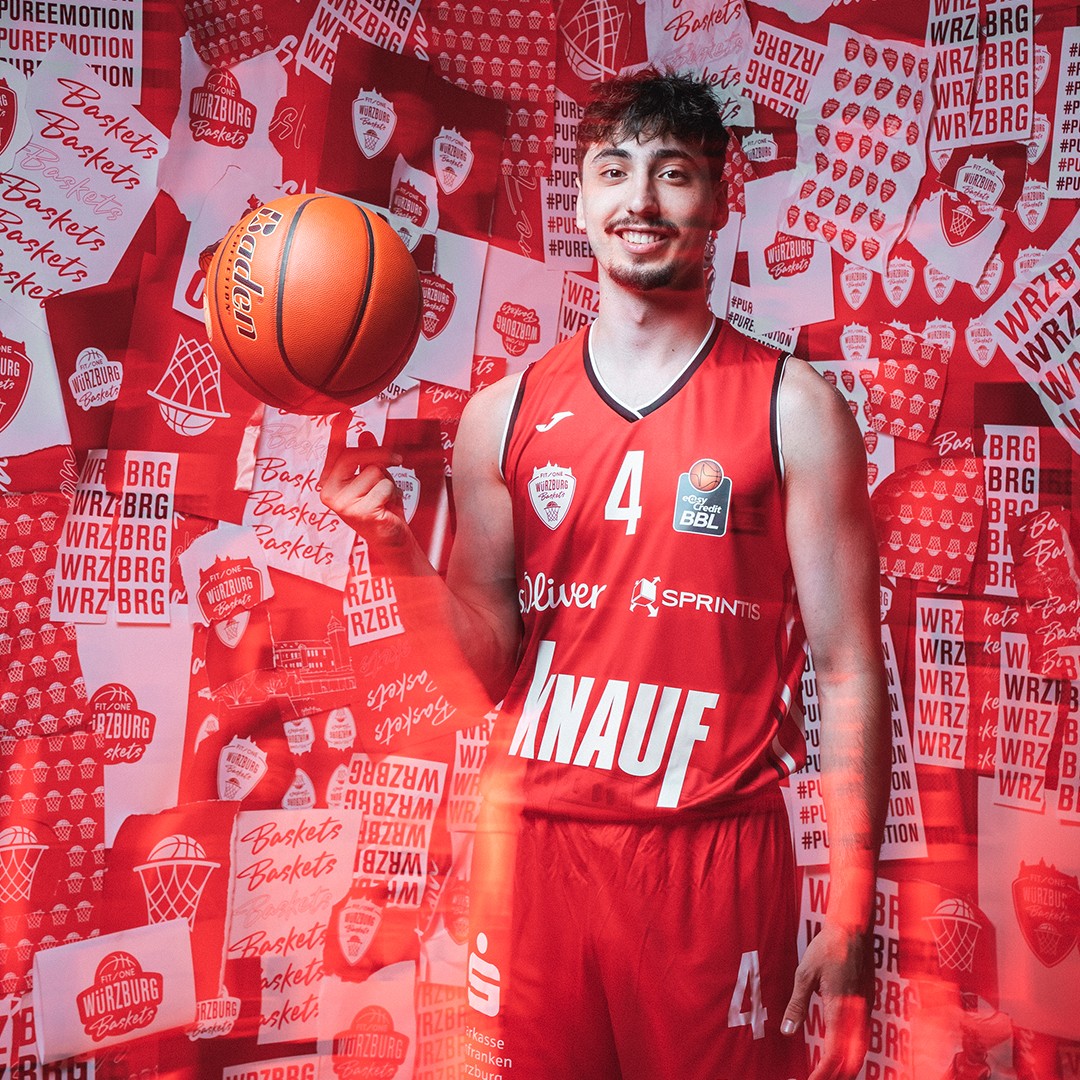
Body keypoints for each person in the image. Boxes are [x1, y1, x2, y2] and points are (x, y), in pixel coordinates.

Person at [321, 68, 889, 1080]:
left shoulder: (795, 409)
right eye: (615, 171)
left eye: (674, 172)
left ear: (720, 201)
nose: (642, 199)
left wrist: (850, 915)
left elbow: (847, 668)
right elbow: (483, 674)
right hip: (537, 857)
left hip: (712, 860)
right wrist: (394, 550)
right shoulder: (501, 415)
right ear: (581, 202)